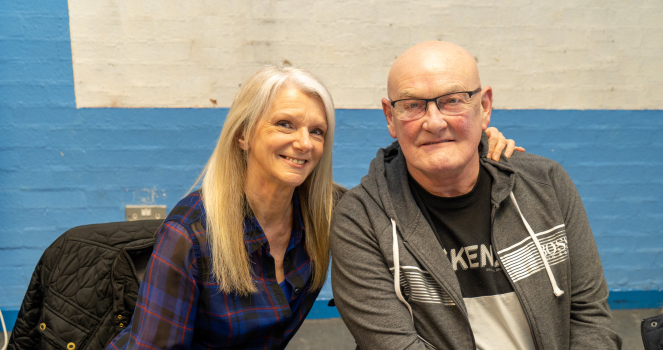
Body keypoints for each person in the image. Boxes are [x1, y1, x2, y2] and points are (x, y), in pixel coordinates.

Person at [105, 66, 518, 349]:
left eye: (316, 131)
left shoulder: (327, 211)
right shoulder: (190, 234)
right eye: (285, 124)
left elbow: (410, 178)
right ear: (244, 134)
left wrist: (469, 145)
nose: (304, 143)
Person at [330, 41, 622, 349]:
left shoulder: (547, 184)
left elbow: (590, 320)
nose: (434, 122)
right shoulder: (361, 221)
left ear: (484, 107)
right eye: (412, 105)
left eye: (453, 100)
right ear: (390, 117)